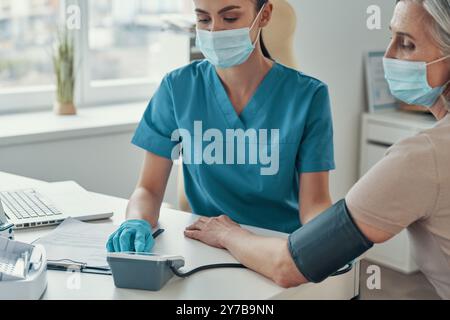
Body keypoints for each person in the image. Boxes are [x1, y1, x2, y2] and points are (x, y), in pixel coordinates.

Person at [184, 0, 450, 299]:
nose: (387, 56)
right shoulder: (181, 86)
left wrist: (227, 233)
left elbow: (289, 265)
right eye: (391, 38)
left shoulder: (423, 158)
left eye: (407, 44)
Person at [107, 0, 335, 252]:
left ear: (264, 15)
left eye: (230, 19)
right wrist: (136, 221)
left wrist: (326, 241)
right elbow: (148, 189)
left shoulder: (308, 96)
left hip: (278, 246)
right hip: (205, 245)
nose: (214, 32)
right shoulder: (178, 87)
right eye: (204, 20)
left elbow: (315, 204)